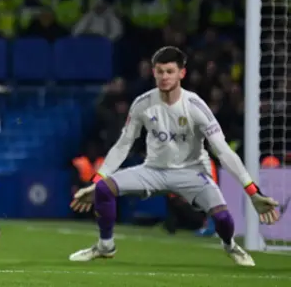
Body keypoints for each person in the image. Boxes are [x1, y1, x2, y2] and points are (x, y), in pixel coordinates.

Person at [69, 46, 280, 267]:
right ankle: (105, 246)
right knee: (104, 189)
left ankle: (229, 245)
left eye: (170, 71)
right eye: (159, 71)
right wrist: (96, 181)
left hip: (192, 172)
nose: (164, 77)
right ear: (153, 73)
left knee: (223, 219)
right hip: (153, 170)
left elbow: (224, 151)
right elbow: (123, 145)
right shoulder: (143, 103)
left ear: (182, 74)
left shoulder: (195, 106)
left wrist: (252, 192)